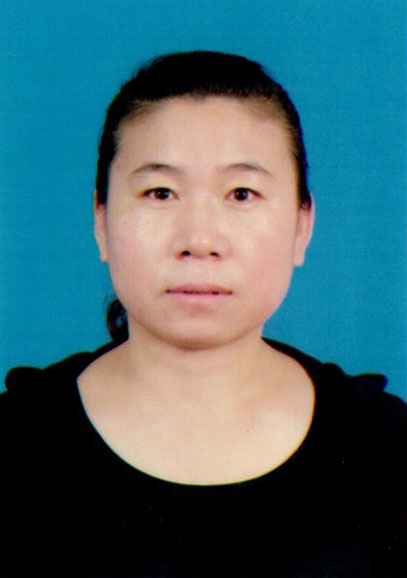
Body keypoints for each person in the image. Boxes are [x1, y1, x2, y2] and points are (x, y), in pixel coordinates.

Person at [1, 51, 406, 578]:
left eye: (241, 193)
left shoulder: (383, 451)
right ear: (101, 220)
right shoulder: (15, 445)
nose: (199, 239)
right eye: (160, 192)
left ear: (302, 226)